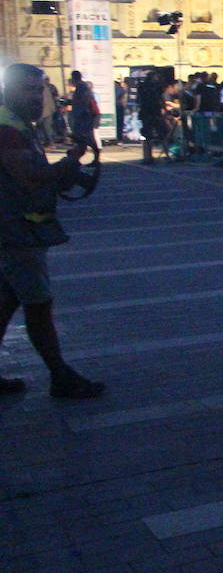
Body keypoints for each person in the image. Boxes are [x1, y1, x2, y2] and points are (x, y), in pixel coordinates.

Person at [0, 64, 105, 398]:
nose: (36, 96)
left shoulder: (18, 125)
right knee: (38, 304)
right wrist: (71, 161)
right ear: (9, 90)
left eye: (39, 89)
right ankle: (60, 376)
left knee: (6, 302)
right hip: (15, 232)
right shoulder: (8, 129)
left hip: (16, 229)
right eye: (28, 89)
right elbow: (30, 177)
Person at [66, 71, 98, 153]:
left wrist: (70, 102)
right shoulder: (82, 86)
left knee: (84, 137)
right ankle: (77, 157)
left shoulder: (81, 87)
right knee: (82, 138)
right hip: (84, 115)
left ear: (74, 78)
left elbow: (81, 101)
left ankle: (96, 157)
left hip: (83, 116)